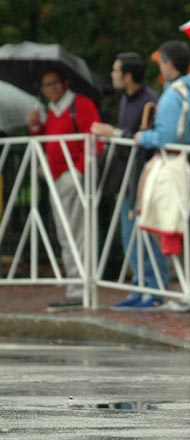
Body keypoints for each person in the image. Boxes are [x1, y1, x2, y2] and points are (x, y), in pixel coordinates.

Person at [135, 40, 190, 311]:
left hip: (186, 167)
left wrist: (143, 137)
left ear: (169, 64)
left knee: (183, 226)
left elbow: (167, 135)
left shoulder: (174, 93)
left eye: (161, 63)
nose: (160, 68)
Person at [91, 52, 169, 309]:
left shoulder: (149, 101)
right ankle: (139, 286)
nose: (112, 75)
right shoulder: (127, 99)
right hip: (127, 175)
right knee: (130, 235)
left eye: (115, 70)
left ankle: (154, 288)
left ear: (127, 75)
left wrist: (113, 132)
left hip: (143, 176)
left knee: (144, 232)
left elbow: (146, 139)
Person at [27, 67, 102, 311]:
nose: (53, 88)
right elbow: (48, 141)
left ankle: (81, 286)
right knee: (64, 233)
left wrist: (78, 171)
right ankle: (73, 284)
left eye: (56, 83)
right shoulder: (51, 111)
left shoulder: (79, 104)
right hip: (57, 177)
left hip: (74, 176)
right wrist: (36, 128)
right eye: (48, 85)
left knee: (78, 232)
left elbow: (95, 138)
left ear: (65, 82)